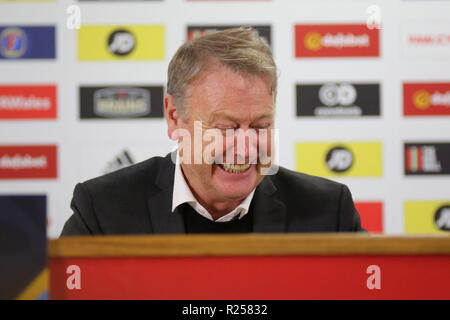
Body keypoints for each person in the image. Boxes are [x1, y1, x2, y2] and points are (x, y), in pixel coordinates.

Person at [61, 27, 365, 236]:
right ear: (174, 117)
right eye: (226, 127)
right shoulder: (102, 209)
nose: (246, 149)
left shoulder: (328, 211)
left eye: (261, 126)